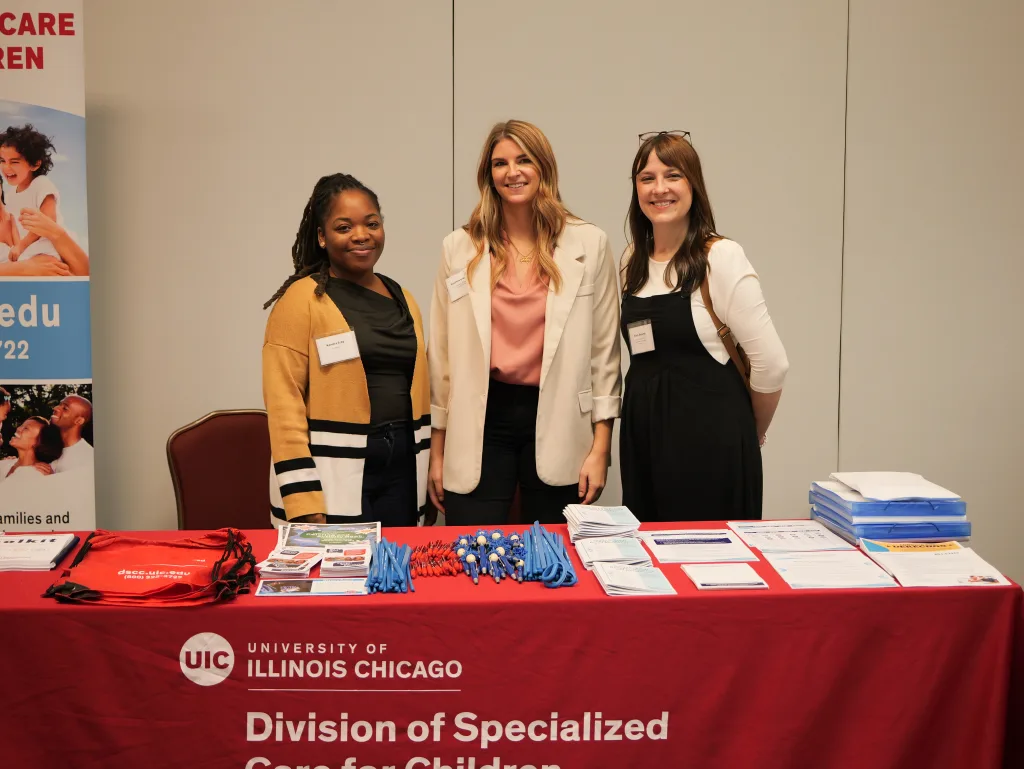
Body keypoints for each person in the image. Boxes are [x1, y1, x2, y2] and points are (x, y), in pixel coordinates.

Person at [428, 120, 621, 527]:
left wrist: (600, 447)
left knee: (555, 560)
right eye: (500, 163)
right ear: (488, 175)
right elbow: (441, 359)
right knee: (473, 555)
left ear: (543, 168)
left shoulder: (589, 243)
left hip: (560, 417)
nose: (512, 172)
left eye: (523, 160)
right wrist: (438, 452)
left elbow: (605, 353)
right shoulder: (459, 248)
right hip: (481, 419)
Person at [619, 131, 788, 522]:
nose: (659, 188)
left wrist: (747, 431)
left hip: (711, 449)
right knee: (651, 570)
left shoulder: (721, 257)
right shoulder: (632, 260)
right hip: (643, 446)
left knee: (709, 571)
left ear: (693, 184)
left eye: (672, 175)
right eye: (647, 178)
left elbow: (773, 365)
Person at [263, 173, 431, 528]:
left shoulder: (403, 297)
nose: (361, 235)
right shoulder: (301, 301)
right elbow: (284, 405)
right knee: (341, 577)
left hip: (402, 468)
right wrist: (301, 494)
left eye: (372, 223)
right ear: (322, 237)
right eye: (344, 227)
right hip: (330, 472)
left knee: (395, 571)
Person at [0, 124, 65, 263]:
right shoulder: (11, 195)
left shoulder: (41, 184)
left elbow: (48, 222)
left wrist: (21, 247)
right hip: (25, 253)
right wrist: (16, 249)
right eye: (2, 161)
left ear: (34, 164)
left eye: (14, 162)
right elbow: (15, 231)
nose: (6, 167)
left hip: (47, 251)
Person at [0, 416, 63, 480]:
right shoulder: (5, 464)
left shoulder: (37, 475)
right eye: (21, 425)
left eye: (26, 428)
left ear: (38, 442)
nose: (18, 428)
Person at [50, 395, 94, 473]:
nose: (56, 408)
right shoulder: (50, 448)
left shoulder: (88, 457)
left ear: (79, 421)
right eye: (60, 404)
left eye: (65, 408)